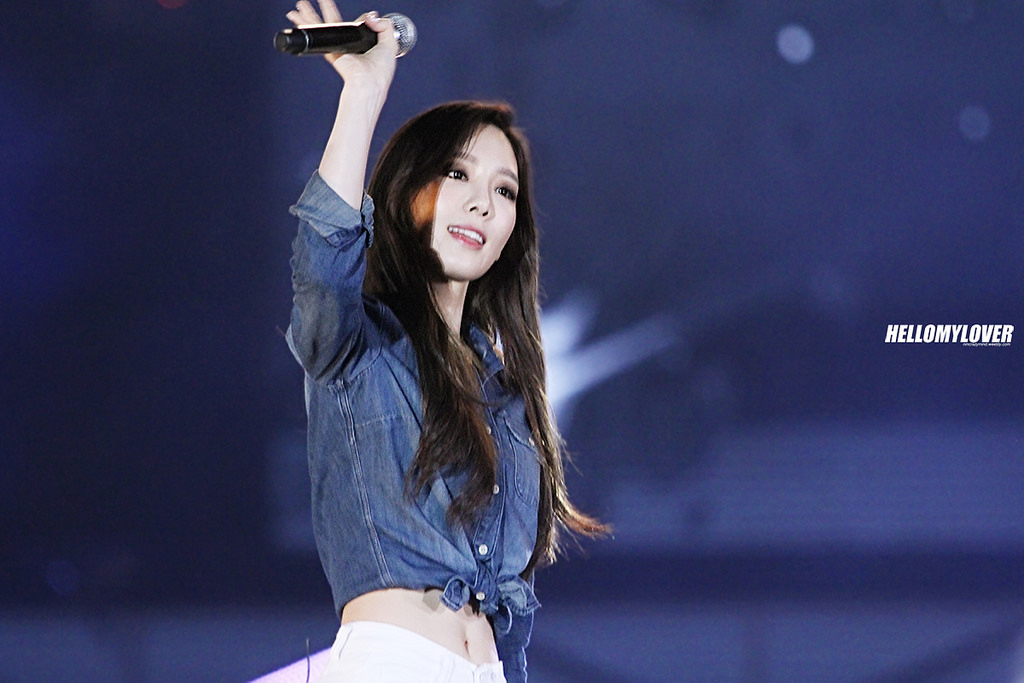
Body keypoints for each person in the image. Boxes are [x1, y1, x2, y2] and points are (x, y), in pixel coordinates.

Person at [283, 3, 605, 681]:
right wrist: (364, 94)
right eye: (458, 174)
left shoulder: (508, 395)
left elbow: (509, 603)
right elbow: (325, 257)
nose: (484, 203)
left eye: (504, 191)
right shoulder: (358, 348)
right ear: (407, 192)